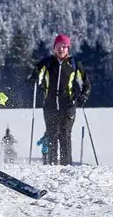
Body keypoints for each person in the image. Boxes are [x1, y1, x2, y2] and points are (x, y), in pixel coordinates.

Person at [34, 34, 90, 165]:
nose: (61, 49)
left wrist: (84, 95)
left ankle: (66, 165)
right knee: (52, 135)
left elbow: (86, 83)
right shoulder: (47, 63)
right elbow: (37, 75)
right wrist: (35, 77)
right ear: (54, 48)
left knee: (65, 134)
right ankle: (52, 165)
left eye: (64, 47)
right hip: (50, 105)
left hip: (68, 105)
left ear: (68, 48)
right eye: (59, 46)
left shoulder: (74, 64)